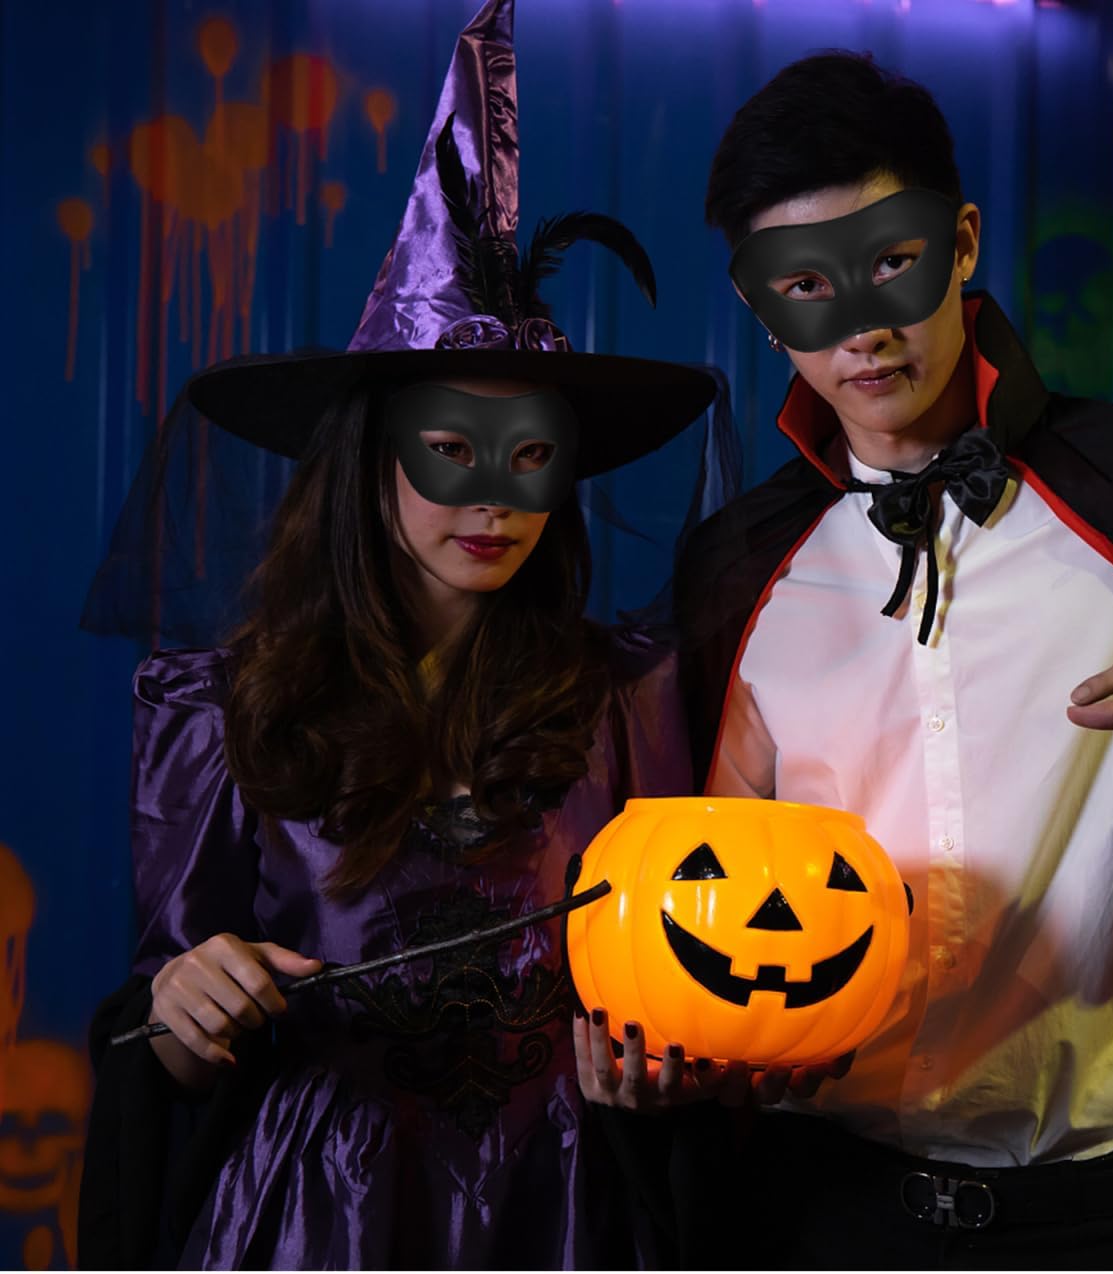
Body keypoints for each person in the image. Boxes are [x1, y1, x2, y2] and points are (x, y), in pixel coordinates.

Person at [578, 50, 1113, 1270]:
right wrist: (661, 1053)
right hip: (816, 1212)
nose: (860, 328)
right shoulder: (743, 570)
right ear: (761, 309)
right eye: (806, 286)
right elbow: (701, 869)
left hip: (1103, 1220)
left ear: (959, 244)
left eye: (889, 264)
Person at [76, 1, 721, 1267]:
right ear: (368, 465)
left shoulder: (618, 697)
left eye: (530, 459)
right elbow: (170, 1035)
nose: (493, 501)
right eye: (449, 451)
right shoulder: (225, 708)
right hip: (316, 1211)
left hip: (558, 1207)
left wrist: (663, 1066)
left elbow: (676, 958)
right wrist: (183, 1004)